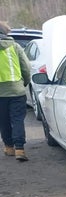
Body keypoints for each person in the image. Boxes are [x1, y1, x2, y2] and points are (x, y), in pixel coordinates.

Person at [0, 21, 32, 162]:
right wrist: (24, 82)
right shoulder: (15, 47)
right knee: (17, 120)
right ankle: (20, 149)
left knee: (3, 121)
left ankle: (8, 147)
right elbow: (26, 67)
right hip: (17, 91)